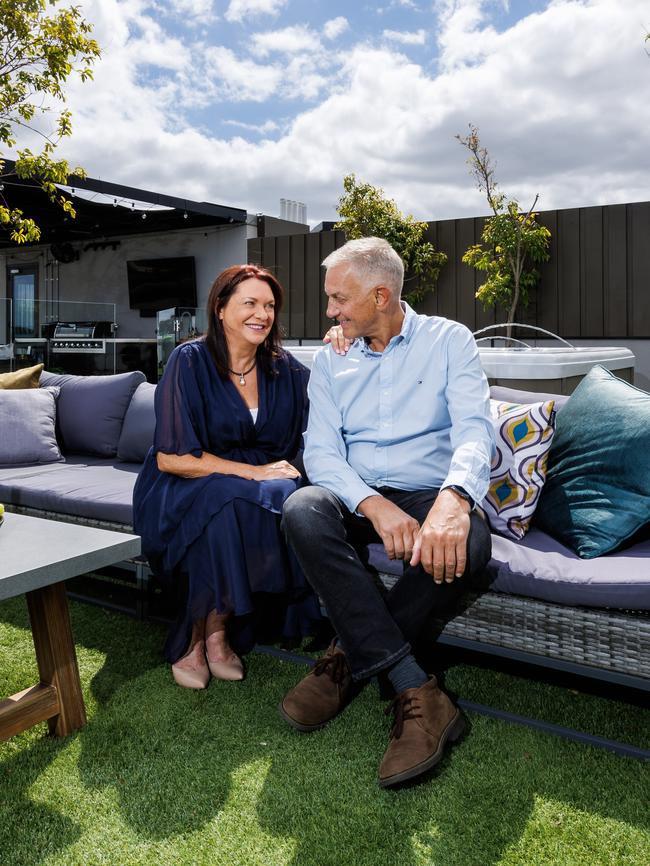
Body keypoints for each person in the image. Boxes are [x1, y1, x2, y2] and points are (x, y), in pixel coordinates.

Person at [279, 237, 495, 788]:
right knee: (302, 509)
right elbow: (322, 453)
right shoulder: (331, 357)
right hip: (357, 490)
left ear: (380, 295)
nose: (329, 311)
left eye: (337, 299)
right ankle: (413, 685)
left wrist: (453, 499)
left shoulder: (450, 341)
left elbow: (475, 429)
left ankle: (347, 657)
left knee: (469, 544)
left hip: (429, 488)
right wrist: (373, 506)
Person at [133, 264, 321, 689]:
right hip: (183, 482)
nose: (262, 314)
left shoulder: (285, 369)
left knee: (260, 495)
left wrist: (344, 344)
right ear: (220, 308)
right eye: (250, 303)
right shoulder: (190, 359)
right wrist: (253, 471)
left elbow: (328, 399)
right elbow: (171, 458)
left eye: (270, 305)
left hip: (248, 488)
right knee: (223, 498)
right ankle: (203, 638)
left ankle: (210, 634)